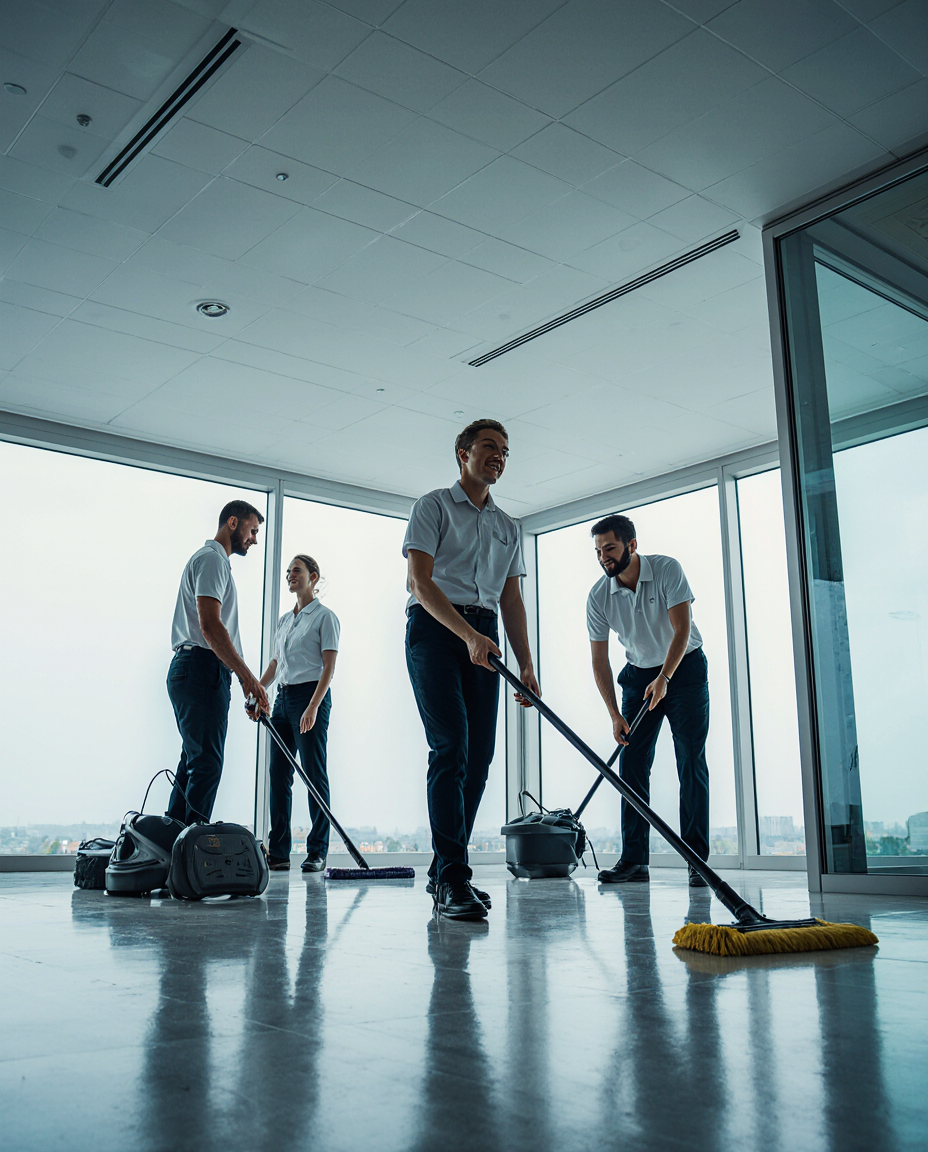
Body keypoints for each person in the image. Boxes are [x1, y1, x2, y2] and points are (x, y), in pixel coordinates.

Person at [405, 418, 540, 920]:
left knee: (479, 757)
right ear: (462, 453)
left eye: (505, 450)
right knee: (451, 747)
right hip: (437, 630)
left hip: (486, 636)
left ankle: (445, 871)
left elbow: (511, 598)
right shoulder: (433, 506)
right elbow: (420, 582)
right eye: (489, 447)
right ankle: (454, 878)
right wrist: (467, 635)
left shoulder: (509, 527)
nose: (498, 456)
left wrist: (526, 663)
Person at [586, 513, 710, 887]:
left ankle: (696, 861)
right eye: (598, 551)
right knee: (632, 767)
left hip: (683, 669)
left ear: (631, 545)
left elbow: (682, 629)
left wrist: (665, 678)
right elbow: (599, 660)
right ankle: (635, 861)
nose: (603, 556)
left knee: (690, 760)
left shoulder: (667, 569)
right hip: (638, 677)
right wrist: (613, 714)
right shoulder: (598, 596)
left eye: (609, 547)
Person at [166, 500, 269, 825]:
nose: (254, 539)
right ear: (233, 523)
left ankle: (174, 849)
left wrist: (241, 680)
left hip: (199, 670)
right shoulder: (212, 560)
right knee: (206, 764)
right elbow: (210, 626)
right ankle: (191, 853)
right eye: (253, 530)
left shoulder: (213, 562)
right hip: (200, 668)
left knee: (194, 762)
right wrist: (248, 679)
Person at [253, 555, 339, 873]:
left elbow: (329, 667)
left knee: (314, 775)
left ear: (313, 577)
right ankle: (278, 853)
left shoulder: (325, 618)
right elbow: (276, 664)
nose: (290, 575)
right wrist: (256, 690)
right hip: (283, 699)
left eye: (297, 570)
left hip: (310, 695)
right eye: (288, 571)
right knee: (279, 775)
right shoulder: (284, 621)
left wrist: (313, 706)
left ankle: (318, 851)